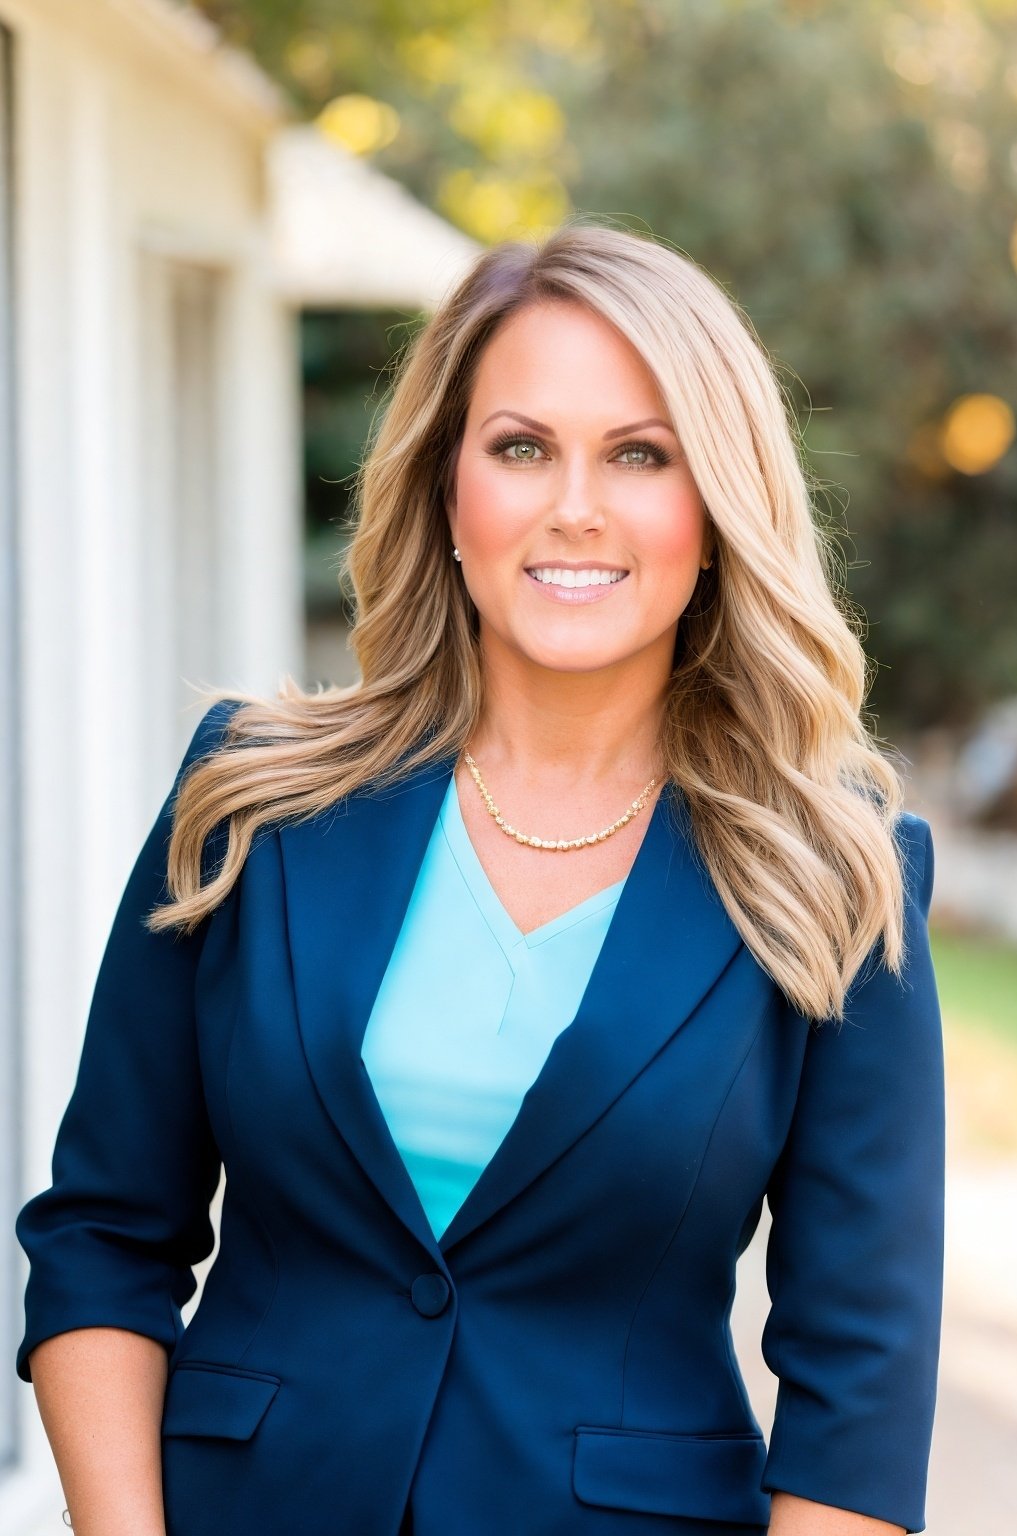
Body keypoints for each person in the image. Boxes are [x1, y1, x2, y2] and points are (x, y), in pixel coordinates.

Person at [15, 219, 944, 1536]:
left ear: (717, 512)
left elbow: (862, 1391)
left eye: (641, 454)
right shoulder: (254, 802)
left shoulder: (837, 875)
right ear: (449, 492)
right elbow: (104, 1237)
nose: (576, 506)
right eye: (522, 447)